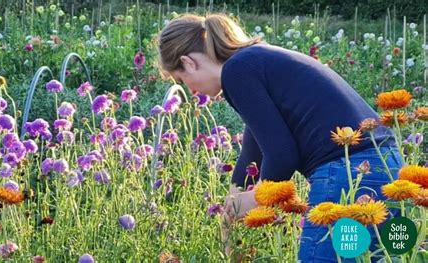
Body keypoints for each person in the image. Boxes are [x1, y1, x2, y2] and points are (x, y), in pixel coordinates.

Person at [157, 13, 403, 262]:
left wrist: (258, 200)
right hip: (385, 164)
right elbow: (254, 148)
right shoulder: (255, 59)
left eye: (181, 79)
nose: (190, 90)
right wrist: (232, 205)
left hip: (347, 174)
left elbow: (282, 154)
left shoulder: (236, 71)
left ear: (188, 62)